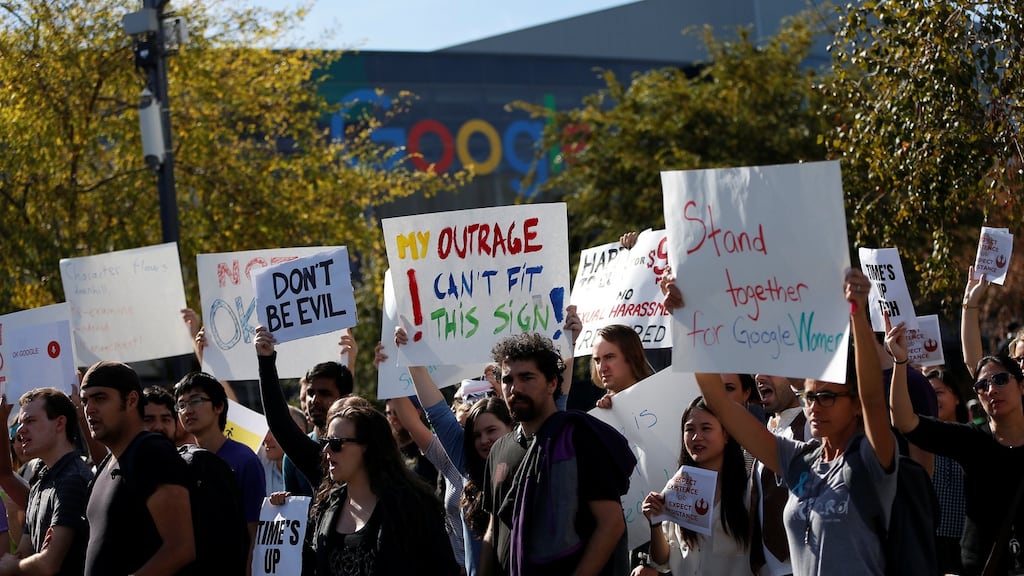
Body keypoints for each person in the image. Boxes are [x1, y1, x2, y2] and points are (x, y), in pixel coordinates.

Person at [679, 268, 897, 575]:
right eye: (810, 397)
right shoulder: (797, 459)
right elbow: (719, 404)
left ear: (856, 404)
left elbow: (874, 397)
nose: (815, 406)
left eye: (827, 397)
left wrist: (857, 314)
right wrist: (689, 320)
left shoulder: (872, 457)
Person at [481, 332, 636, 576]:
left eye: (527, 377)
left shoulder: (578, 438)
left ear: (552, 383)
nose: (515, 388)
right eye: (508, 379)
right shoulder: (499, 449)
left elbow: (611, 524)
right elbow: (494, 528)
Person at [890, 320, 1024, 575]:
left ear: (1021, 385)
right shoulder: (971, 441)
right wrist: (900, 363)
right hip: (980, 567)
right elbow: (904, 421)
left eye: (1000, 379)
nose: (991, 389)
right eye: (982, 386)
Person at [276, 399, 459, 575]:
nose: (326, 451)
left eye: (336, 443)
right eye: (325, 442)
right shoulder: (327, 505)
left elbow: (443, 568)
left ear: (368, 446)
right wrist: (284, 515)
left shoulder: (412, 506)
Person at [81, 361, 195, 575]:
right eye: (84, 400)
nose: (89, 409)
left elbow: (180, 548)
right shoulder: (107, 464)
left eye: (100, 398)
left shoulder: (152, 452)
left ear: (131, 400)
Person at [640, 396, 751, 575]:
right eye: (689, 429)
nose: (696, 437)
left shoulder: (750, 489)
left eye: (706, 428)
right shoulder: (676, 488)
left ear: (726, 434)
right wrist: (655, 523)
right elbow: (663, 561)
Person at [173, 372, 265, 575]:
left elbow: (255, 530)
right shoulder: (179, 461)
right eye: (181, 405)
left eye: (196, 400)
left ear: (219, 407)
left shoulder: (244, 460)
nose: (187, 410)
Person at [0, 389, 92, 576]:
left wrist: (13, 566)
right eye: (19, 423)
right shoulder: (42, 479)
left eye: (30, 421)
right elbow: (25, 553)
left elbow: (48, 564)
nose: (20, 430)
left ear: (60, 423)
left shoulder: (72, 480)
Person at [255, 325, 354, 497]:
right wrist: (266, 360)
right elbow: (280, 424)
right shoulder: (312, 456)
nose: (314, 400)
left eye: (324, 393)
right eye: (310, 393)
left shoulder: (366, 446)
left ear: (345, 397)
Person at [749, 374, 809, 576]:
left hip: (804, 566)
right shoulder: (765, 430)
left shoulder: (811, 425)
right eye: (756, 369)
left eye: (771, 367)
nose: (759, 376)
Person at [925, 368, 968, 575]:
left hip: (966, 543)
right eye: (928, 394)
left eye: (939, 392)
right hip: (930, 542)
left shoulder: (973, 438)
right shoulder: (920, 442)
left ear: (956, 398)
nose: (933, 399)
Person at [591, 324, 655, 409]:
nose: (602, 368)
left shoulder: (662, 397)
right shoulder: (603, 410)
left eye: (609, 357)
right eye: (597, 360)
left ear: (632, 357)